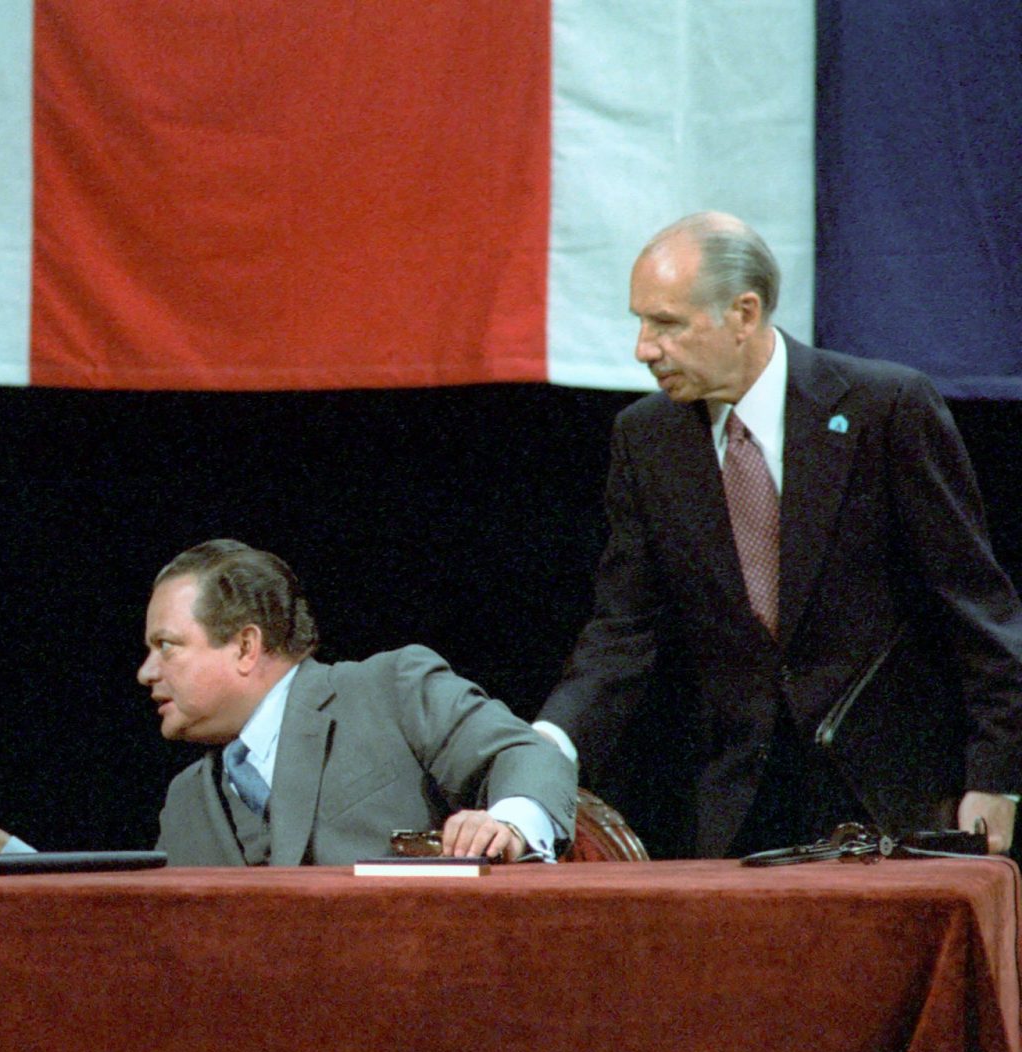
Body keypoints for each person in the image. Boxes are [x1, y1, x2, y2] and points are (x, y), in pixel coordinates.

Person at [536, 212, 1022, 857]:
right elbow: (622, 633)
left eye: (667, 323)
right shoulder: (645, 438)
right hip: (737, 808)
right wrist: (543, 750)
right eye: (641, 322)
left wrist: (997, 779)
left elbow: (976, 611)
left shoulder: (886, 408)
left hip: (897, 798)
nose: (644, 348)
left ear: (744, 313)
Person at [140, 539, 575, 865]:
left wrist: (508, 826)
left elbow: (526, 753)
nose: (147, 672)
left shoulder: (391, 691)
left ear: (245, 647)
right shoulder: (185, 803)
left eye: (167, 645)